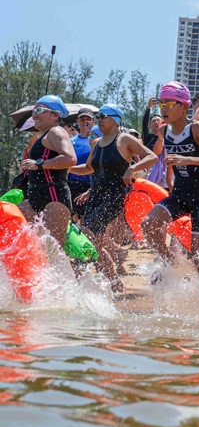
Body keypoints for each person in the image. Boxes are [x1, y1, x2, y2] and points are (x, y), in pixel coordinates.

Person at [141, 82, 199, 320]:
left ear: (184, 106)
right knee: (148, 224)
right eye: (161, 104)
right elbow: (163, 157)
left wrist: (187, 160)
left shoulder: (196, 128)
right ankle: (169, 260)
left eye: (170, 104)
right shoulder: (164, 131)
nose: (164, 109)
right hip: (178, 194)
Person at [69, 104, 157, 291]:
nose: (99, 119)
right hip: (96, 196)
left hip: (115, 196)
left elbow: (151, 157)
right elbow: (89, 168)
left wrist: (132, 168)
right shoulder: (96, 143)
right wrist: (66, 168)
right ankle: (115, 283)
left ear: (115, 119)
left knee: (89, 235)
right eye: (98, 116)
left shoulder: (124, 139)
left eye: (103, 116)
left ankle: (85, 276)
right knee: (95, 242)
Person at [19, 95, 77, 248]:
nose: (34, 115)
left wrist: (39, 165)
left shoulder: (56, 131)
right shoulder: (41, 136)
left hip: (54, 197)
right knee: (25, 245)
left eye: (39, 110)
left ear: (55, 115)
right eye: (33, 111)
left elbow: (70, 158)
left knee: (52, 251)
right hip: (34, 195)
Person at [67, 108, 96, 218]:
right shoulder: (71, 141)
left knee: (87, 218)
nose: (85, 122)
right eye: (82, 119)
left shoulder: (98, 140)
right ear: (77, 121)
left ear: (93, 121)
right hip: (73, 182)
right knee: (72, 216)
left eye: (88, 119)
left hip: (91, 183)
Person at [142, 97, 169, 189]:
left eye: (158, 120)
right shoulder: (148, 138)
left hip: (165, 174)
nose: (156, 122)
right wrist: (148, 108)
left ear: (163, 123)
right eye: (153, 121)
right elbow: (144, 125)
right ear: (150, 125)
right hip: (150, 172)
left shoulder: (169, 138)